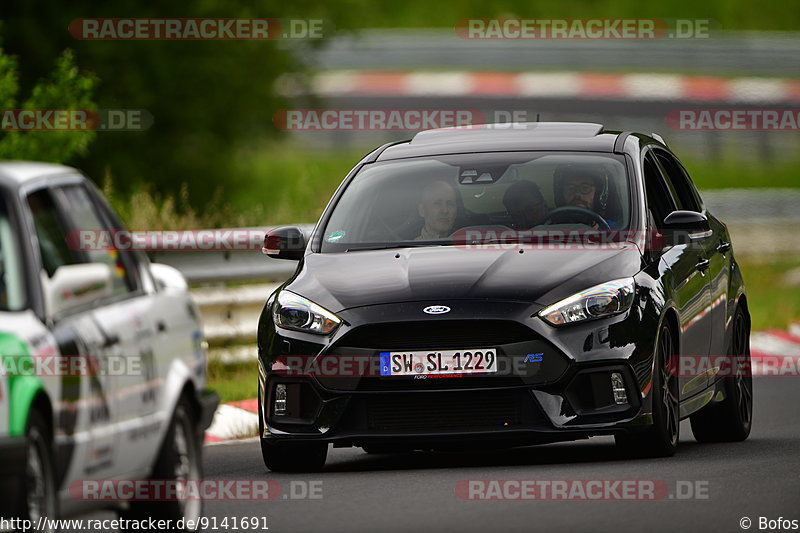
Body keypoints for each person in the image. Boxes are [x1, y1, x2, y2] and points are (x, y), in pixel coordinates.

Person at [553, 164, 618, 228]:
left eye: (585, 188)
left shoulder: (614, 230)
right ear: (561, 195)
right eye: (571, 188)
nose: (577, 194)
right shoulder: (550, 229)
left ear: (597, 193)